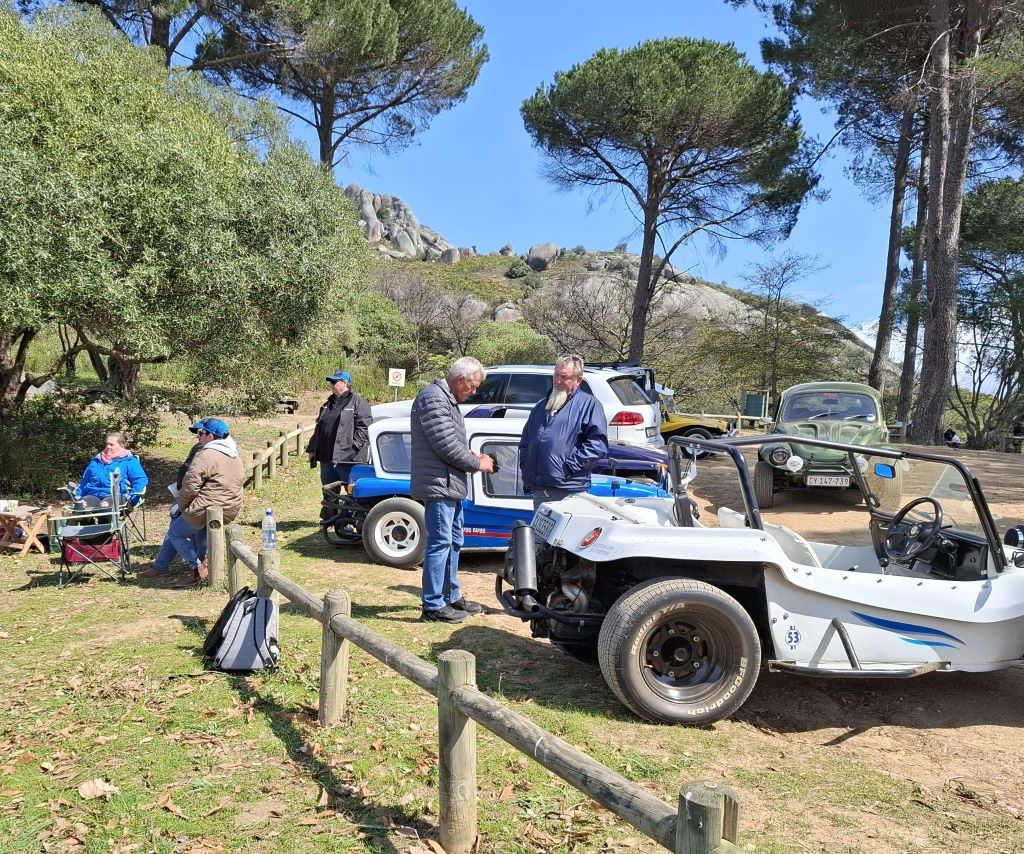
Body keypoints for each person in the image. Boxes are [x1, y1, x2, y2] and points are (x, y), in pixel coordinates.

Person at [410, 356, 495, 624]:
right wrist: (477, 462)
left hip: (450, 483)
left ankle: (450, 596)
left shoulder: (445, 399)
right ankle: (433, 606)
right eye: (473, 386)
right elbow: (445, 445)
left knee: (454, 542)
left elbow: (448, 442)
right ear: (460, 380)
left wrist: (468, 457)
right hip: (439, 485)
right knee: (440, 543)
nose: (474, 391)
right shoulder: (433, 398)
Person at [138, 418, 244, 586]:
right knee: (198, 530)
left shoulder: (206, 454)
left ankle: (197, 568)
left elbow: (190, 485)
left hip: (207, 506)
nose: (198, 437)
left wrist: (183, 506)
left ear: (210, 435)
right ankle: (199, 568)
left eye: (201, 433)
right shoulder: (234, 454)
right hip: (229, 507)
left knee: (176, 532)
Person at [519, 355, 609, 511]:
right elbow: (526, 441)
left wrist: (567, 469)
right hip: (540, 492)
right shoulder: (541, 406)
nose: (557, 381)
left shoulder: (589, 405)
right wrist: (526, 466)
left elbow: (597, 445)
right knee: (539, 536)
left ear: (578, 380)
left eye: (564, 377)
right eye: (556, 375)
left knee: (566, 536)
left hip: (569, 493)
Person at [307, 371, 373, 495]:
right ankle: (331, 514)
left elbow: (364, 427)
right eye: (331, 382)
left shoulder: (359, 403)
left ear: (345, 383)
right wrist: (312, 449)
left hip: (349, 459)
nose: (331, 384)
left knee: (353, 495)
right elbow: (319, 428)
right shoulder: (327, 404)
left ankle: (351, 514)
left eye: (334, 381)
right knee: (329, 494)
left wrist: (354, 446)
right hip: (327, 459)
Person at [74, 430, 149, 507]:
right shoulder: (96, 461)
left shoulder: (129, 460)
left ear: (122, 445)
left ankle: (105, 518)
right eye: (107, 444)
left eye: (111, 444)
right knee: (81, 507)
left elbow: (140, 480)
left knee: (105, 506)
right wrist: (78, 497)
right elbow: (84, 482)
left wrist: (132, 499)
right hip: (93, 494)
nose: (108, 447)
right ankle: (86, 518)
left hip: (116, 495)